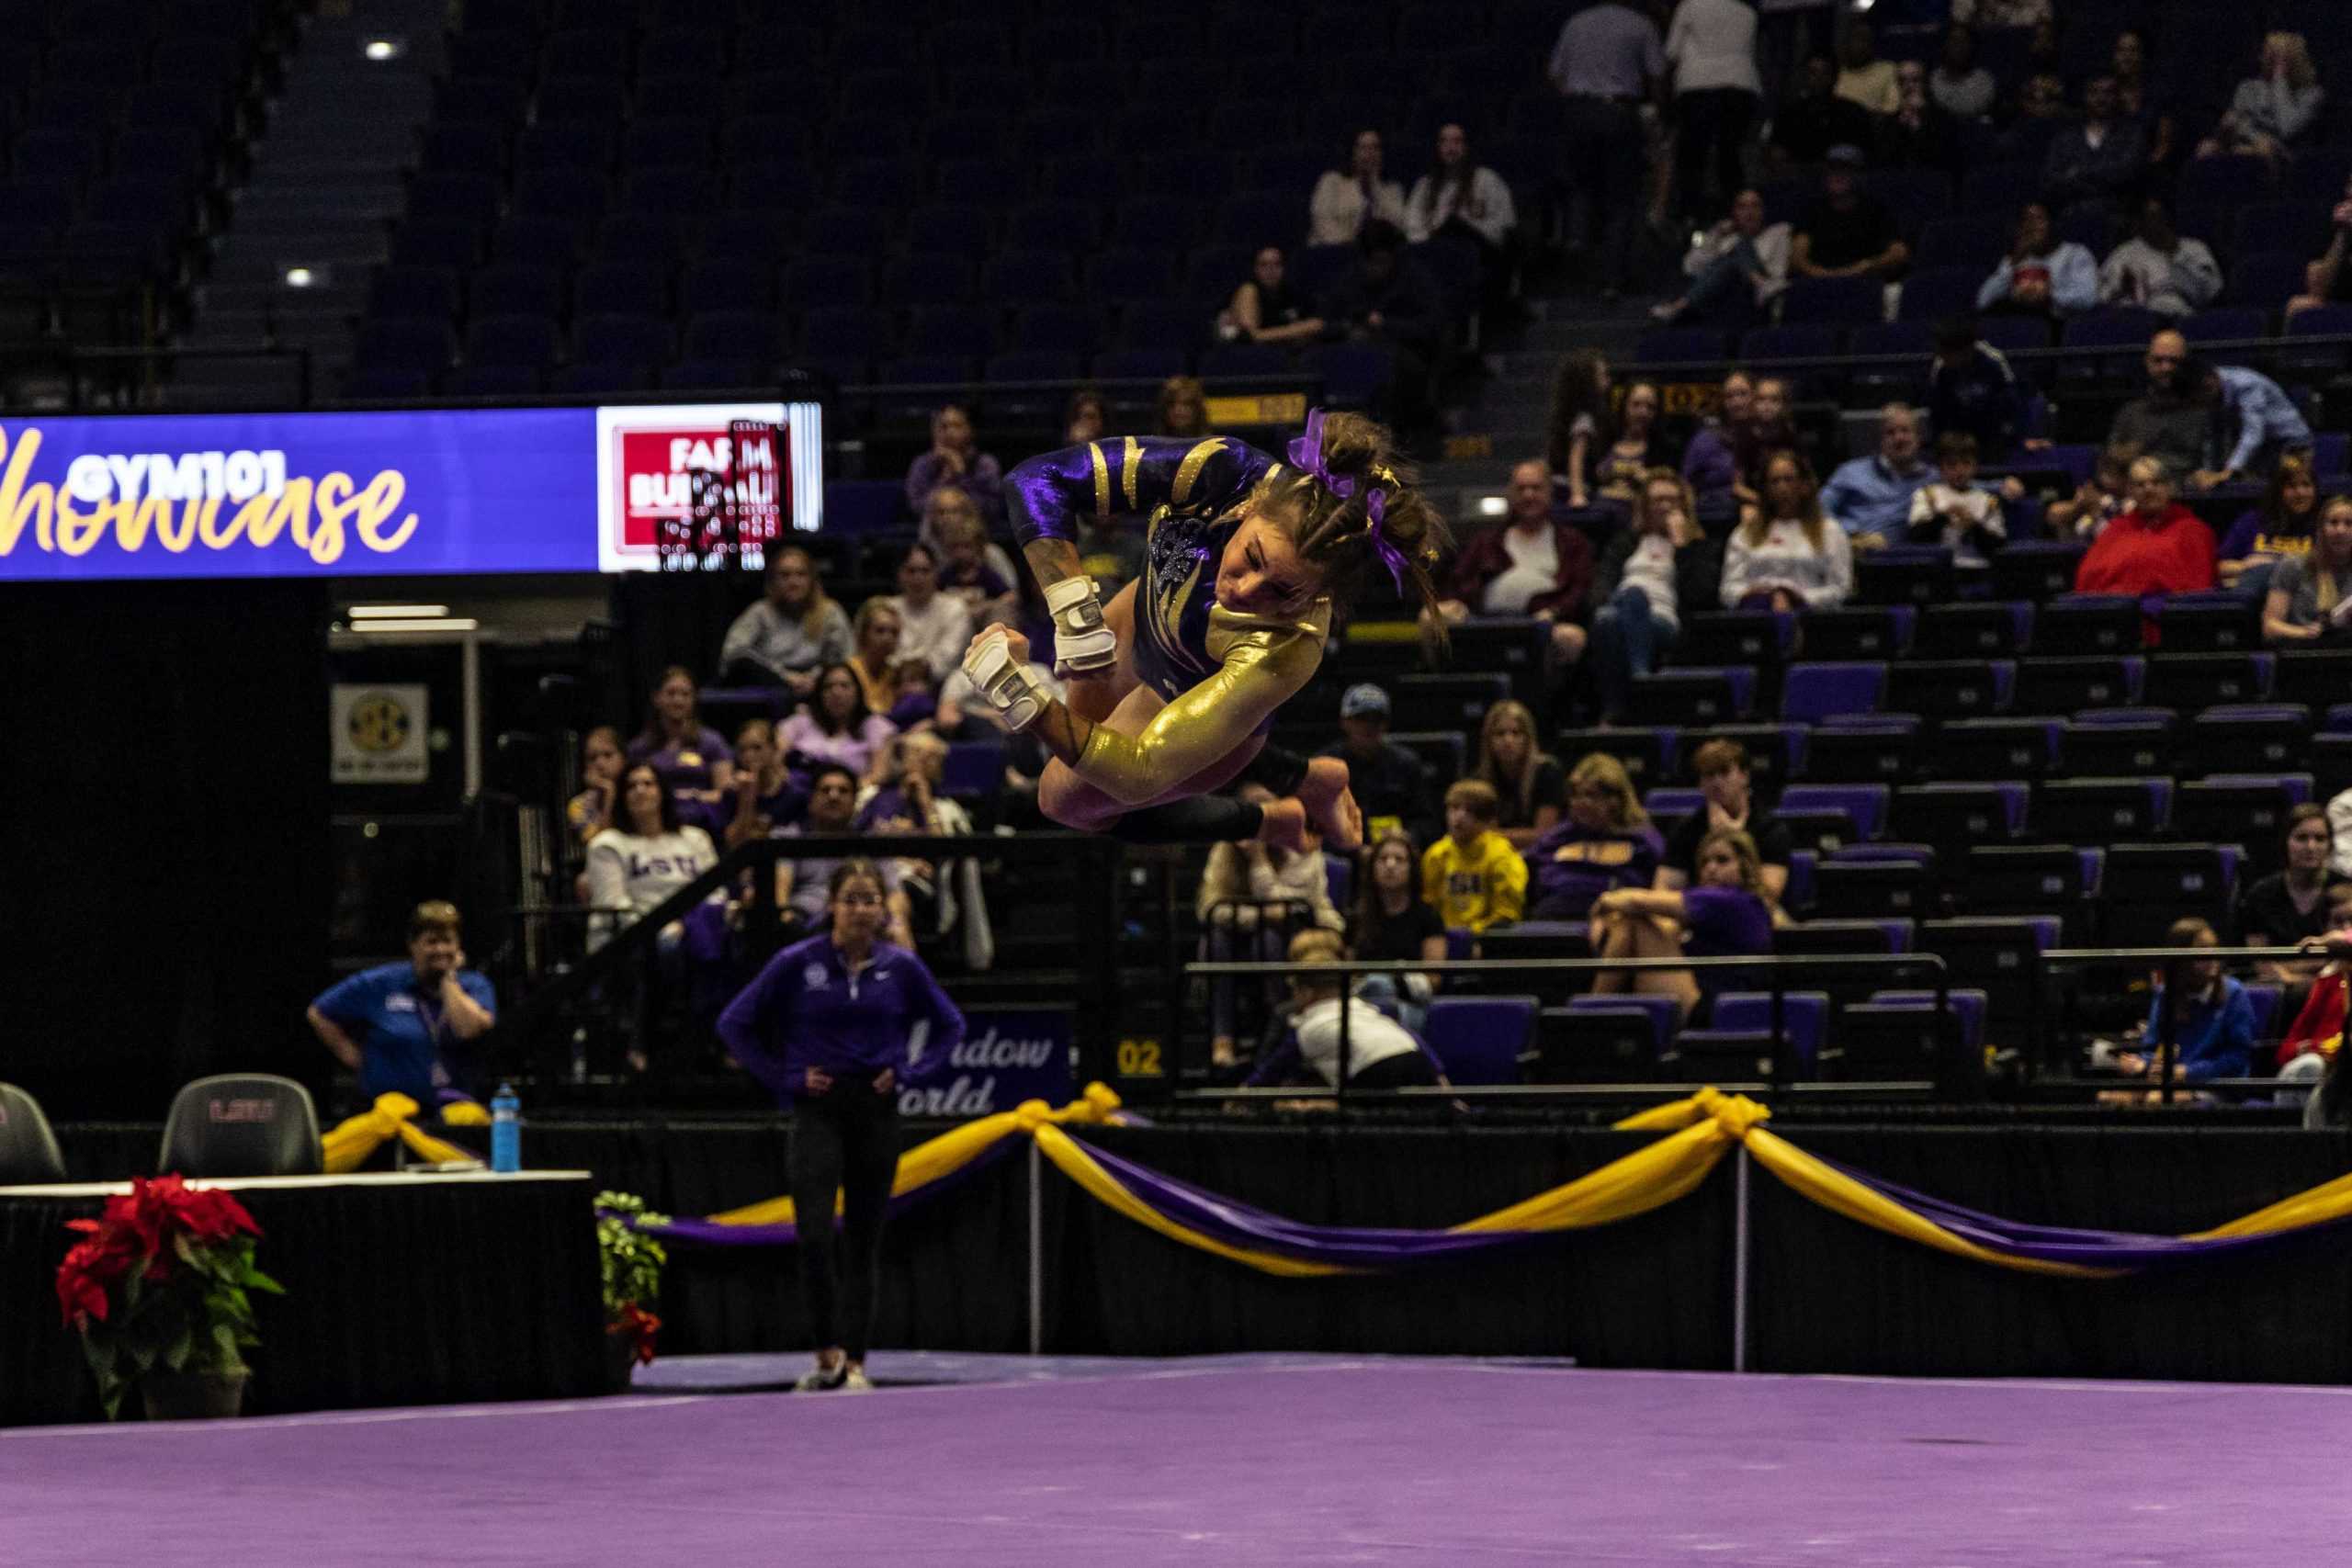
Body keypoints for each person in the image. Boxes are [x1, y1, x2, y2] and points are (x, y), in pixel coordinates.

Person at [963, 412, 1449, 852]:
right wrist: (1073, 611)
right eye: (1252, 558)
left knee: (1064, 800)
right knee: (1079, 749)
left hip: (1184, 696)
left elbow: (1138, 771)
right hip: (1139, 616)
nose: (1245, 591)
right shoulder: (1220, 470)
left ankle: (1267, 820)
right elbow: (1036, 478)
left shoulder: (1290, 646)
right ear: (1251, 506)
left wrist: (1017, 693)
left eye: (1281, 592)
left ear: (1316, 597)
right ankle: (1309, 779)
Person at [717, 858, 964, 1394]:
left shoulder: (901, 969)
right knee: (812, 1233)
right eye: (849, 899)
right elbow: (734, 1023)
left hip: (875, 1110)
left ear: (883, 909)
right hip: (817, 1110)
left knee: (864, 1239)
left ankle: (855, 1360)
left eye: (869, 900)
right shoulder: (795, 962)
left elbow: (950, 1025)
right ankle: (824, 1352)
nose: (859, 910)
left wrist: (910, 1073)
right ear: (831, 905)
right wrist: (784, 1076)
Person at [1197, 782, 1346, 1066]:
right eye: (1252, 807)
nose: (1261, 813)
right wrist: (1258, 916)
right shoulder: (1224, 849)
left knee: (1270, 938)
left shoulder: (1303, 845)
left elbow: (1290, 908)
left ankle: (1274, 1033)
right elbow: (1210, 908)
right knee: (1218, 939)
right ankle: (1223, 1037)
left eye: (1268, 804)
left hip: (1309, 928)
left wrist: (1258, 860)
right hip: (1244, 935)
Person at [307, 900, 494, 1112]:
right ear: (413, 945)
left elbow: (467, 1029)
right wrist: (356, 1058)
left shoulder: (474, 985)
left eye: (447, 941)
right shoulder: (380, 983)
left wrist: (449, 980)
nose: (440, 949)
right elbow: (318, 1013)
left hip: (455, 1113)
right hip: (387, 1112)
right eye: (431, 942)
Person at [1589, 828, 1776, 1025]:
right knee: (1633, 923)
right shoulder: (1721, 903)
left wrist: (1603, 903)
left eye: (1722, 860)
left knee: (1634, 922)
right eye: (1705, 862)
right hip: (1702, 996)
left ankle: (1592, 1016)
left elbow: (1636, 901)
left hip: (1717, 1009)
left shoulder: (1734, 901)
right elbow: (1664, 928)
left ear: (1745, 866)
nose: (1711, 868)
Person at [1548, 0, 1665, 299]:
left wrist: (1578, 99)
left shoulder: (1576, 22)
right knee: (1620, 200)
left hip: (1579, 112)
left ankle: (1577, 242)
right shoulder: (1640, 24)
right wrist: (1653, 111)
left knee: (1581, 186)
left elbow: (1556, 74)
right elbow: (1656, 75)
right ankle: (1612, 279)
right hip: (1619, 112)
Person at [1590, 468, 1724, 724]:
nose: (1664, 507)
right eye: (1657, 500)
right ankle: (1631, 690)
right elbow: (1602, 584)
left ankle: (1620, 701)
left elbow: (1700, 595)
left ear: (1684, 506)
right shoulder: (1625, 543)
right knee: (1611, 615)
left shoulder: (1700, 547)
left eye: (1672, 500)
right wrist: (1614, 600)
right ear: (1645, 506)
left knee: (1626, 604)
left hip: (1664, 620)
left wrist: (1682, 546)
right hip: (1620, 610)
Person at [1434, 459, 1595, 665]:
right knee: (1432, 617)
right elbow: (1459, 581)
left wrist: (1554, 611)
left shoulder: (1572, 542)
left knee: (1572, 638)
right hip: (1484, 622)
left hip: (1542, 623)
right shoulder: (1487, 541)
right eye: (1521, 489)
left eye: (1536, 488)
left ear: (1549, 493)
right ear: (1511, 494)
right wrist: (1457, 604)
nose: (1529, 495)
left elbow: (1579, 589)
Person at [1242, 928, 1443, 1091]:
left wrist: (1241, 1095)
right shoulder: (1367, 1008)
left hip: (1377, 1072)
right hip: (1416, 1062)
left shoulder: (1306, 1029)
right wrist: (1440, 1080)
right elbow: (1412, 1040)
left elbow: (1271, 1070)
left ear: (1305, 992)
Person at [1319, 220, 1450, 436]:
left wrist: (1385, 325)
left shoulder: (1415, 280)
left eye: (1381, 261)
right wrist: (1349, 328)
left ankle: (1395, 434)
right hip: (1354, 352)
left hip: (1405, 355)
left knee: (1390, 365)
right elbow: (1326, 321)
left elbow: (1431, 327)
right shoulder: (1350, 280)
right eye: (1370, 262)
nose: (1375, 268)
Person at [2107, 918, 2256, 1097]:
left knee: (2158, 1100)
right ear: (2181, 959)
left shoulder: (2234, 993)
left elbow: (2236, 1058)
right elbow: (2153, 1047)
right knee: (2109, 1097)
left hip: (2215, 1083)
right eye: (2202, 951)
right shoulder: (2165, 993)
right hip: (2169, 1079)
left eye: (2214, 948)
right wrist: (2141, 1064)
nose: (2212, 957)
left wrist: (2187, 1072)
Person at [772, 764, 915, 948]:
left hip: (863, 920)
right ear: (812, 800)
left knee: (899, 929)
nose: (834, 796)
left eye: (843, 791)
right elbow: (780, 890)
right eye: (826, 790)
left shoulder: (872, 842)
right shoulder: (788, 838)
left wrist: (897, 922)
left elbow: (894, 892)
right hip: (805, 924)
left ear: (855, 801)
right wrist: (786, 918)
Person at [585, 762, 720, 952]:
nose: (640, 790)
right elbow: (614, 908)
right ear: (622, 797)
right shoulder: (607, 845)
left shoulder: (695, 838)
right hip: (634, 944)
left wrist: (689, 926)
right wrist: (662, 930)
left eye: (648, 783)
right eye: (632, 786)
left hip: (693, 931)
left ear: (662, 792)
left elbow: (715, 893)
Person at [1524, 753, 1665, 920]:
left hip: (1618, 920)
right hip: (1552, 919)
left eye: (1591, 795)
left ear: (1615, 801)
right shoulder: (1557, 837)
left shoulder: (1642, 840)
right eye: (1575, 795)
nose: (1580, 803)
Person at [1656, 740, 1791, 903]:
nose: (1717, 782)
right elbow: (1664, 889)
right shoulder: (1686, 828)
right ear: (1701, 783)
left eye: (1724, 772)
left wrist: (1735, 839)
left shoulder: (1770, 828)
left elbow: (1768, 897)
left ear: (1744, 776)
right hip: (1698, 912)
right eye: (1709, 775)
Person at [1665, 0, 1761, 221]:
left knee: (1693, 156)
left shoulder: (1690, 7)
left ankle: (1690, 213)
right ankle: (1734, 212)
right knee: (1730, 154)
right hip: (1740, 85)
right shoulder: (1746, 12)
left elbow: (1672, 51)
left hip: (1697, 85)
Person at [1724, 448, 1855, 609]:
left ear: (1804, 485)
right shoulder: (1745, 533)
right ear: (1765, 488)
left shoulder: (1830, 531)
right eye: (1775, 481)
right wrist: (1757, 595)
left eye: (1789, 479)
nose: (1782, 487)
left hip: (1812, 617)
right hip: (1758, 614)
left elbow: (1842, 589)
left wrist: (1798, 597)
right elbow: (1728, 590)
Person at [2074, 457, 2215, 597]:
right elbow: (2089, 576)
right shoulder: (2116, 529)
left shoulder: (2193, 530)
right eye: (2140, 485)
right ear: (2130, 491)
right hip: (2116, 610)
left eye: (2156, 482)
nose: (2149, 490)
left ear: (2170, 487)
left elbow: (2198, 587)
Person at [2237, 806, 2350, 982]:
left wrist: (2289, 968)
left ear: (2330, 846)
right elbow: (2262, 965)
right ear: (2285, 842)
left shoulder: (2347, 889)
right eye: (2301, 838)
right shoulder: (2260, 895)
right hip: (2279, 993)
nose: (2311, 847)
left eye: (2320, 839)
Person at [1350, 828, 1447, 1032]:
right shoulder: (1357, 916)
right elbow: (1348, 971)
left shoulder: (1428, 916)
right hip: (1364, 1003)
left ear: (1412, 868)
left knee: (1381, 985)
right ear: (1372, 867)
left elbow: (1433, 979)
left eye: (1399, 859)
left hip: (1409, 1001)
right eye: (1383, 859)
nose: (1390, 865)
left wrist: (1394, 983)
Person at [720, 547, 852, 697]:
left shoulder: (830, 612)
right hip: (772, 685)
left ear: (812, 580)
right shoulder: (760, 612)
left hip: (818, 688)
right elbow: (733, 654)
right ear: (773, 580)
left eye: (801, 574)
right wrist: (784, 677)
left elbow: (845, 657)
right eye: (785, 575)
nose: (793, 582)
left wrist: (812, 678)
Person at [1318, 682, 1439, 844]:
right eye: (1361, 718)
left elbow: (1426, 821)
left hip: (1393, 854)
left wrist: (1406, 838)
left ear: (1386, 724)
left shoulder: (1407, 764)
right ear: (1344, 721)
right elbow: (1315, 821)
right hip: (1342, 854)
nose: (1369, 726)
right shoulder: (1325, 765)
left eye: (1377, 719)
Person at [1651, 189, 1790, 327]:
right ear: (1734, 213)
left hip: (1754, 299)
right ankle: (1761, 285)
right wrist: (1716, 234)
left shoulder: (1778, 232)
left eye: (1755, 206)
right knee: (1732, 254)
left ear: (1763, 211)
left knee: (1738, 248)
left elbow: (1778, 272)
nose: (1749, 212)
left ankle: (1677, 307)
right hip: (1720, 298)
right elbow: (1690, 267)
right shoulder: (1725, 238)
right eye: (1742, 207)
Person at [2197, 31, 2324, 164]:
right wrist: (2227, 128)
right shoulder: (2248, 88)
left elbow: (2286, 128)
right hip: (2245, 143)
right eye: (2266, 54)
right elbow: (2236, 124)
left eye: (2274, 58)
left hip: (2283, 154)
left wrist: (2279, 79)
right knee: (2207, 148)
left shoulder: (2312, 94)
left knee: (2263, 148)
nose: (2264, 60)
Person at [1789, 144, 1909, 284]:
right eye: (1833, 169)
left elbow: (1899, 253)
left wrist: (1864, 267)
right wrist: (1819, 274)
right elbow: (1797, 257)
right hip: (1819, 284)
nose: (1837, 175)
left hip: (1864, 283)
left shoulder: (1876, 210)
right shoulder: (1812, 210)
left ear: (1858, 174)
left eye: (1845, 169)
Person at [1402, 122, 1519, 263]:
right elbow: (1412, 226)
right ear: (1437, 148)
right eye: (1444, 141)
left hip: (1478, 256)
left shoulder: (1487, 179)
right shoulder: (1424, 185)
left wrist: (1467, 230)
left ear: (1466, 147)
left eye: (1457, 141)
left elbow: (1504, 223)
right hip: (1434, 256)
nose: (1451, 148)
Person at [1820, 404, 1932, 550]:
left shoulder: (1932, 478)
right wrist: (1854, 534)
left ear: (1918, 438)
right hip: (1855, 553)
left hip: (1910, 560)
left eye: (1905, 431)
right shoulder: (1850, 472)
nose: (1899, 438)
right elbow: (1819, 509)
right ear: (1881, 440)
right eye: (1890, 432)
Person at [1420, 778, 1526, 933]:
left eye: (1470, 811)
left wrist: (1470, 934)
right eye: (1454, 808)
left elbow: (1506, 914)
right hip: (1443, 940)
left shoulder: (1502, 855)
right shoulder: (1436, 854)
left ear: (1487, 819)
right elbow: (1428, 906)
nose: (1460, 816)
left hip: (1488, 940)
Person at [1907, 431, 2024, 567]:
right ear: (1940, 467)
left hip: (1979, 569)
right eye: (1952, 464)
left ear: (1975, 466)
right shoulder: (1927, 495)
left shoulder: (1988, 501)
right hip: (1938, 570)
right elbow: (1915, 538)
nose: (1960, 470)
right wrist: (1943, 517)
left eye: (1966, 463)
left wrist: (1973, 525)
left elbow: (1997, 545)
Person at [2106, 330, 2211, 480]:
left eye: (2174, 361)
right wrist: (2122, 455)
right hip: (2139, 491)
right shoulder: (2130, 413)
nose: (2166, 368)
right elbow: (2111, 461)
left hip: (2191, 494)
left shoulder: (2205, 412)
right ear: (2147, 362)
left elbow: (2215, 466)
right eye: (2158, 360)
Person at [627, 666, 734, 810]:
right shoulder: (640, 747)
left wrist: (694, 796)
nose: (678, 701)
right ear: (656, 698)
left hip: (702, 817)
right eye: (671, 694)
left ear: (694, 699)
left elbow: (724, 794)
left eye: (685, 694)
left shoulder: (712, 742)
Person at [2193, 362, 2312, 491]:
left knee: (2290, 488)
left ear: (2213, 378)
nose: (2203, 396)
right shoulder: (2209, 390)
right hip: (2260, 448)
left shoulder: (2246, 384)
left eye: (2205, 389)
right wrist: (2207, 471)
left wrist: (2230, 470)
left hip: (2290, 443)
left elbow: (2253, 433)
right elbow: (2213, 435)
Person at [2099, 197, 2222, 321]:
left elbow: (2212, 291)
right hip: (2141, 320)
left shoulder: (2194, 248)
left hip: (2186, 316)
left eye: (2160, 217)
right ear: (2140, 223)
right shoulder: (2124, 254)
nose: (2157, 223)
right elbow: (2103, 296)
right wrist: (2121, 289)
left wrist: (2175, 256)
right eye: (2151, 218)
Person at [1975, 202, 2098, 322]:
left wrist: (2050, 296)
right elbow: (1983, 301)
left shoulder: (2075, 254)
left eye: (2038, 220)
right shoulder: (2016, 259)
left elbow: (2087, 298)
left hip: (2059, 326)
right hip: (2020, 323)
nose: (2032, 227)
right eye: (2026, 221)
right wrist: (2013, 263)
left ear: (2051, 224)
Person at [1928, 318, 2029, 461]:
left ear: (1965, 350)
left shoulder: (1993, 362)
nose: (1941, 356)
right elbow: (1938, 414)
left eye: (1945, 352)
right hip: (1958, 437)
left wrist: (2023, 438)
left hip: (1994, 433)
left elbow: (2013, 406)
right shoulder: (1940, 368)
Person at [2218, 456, 2320, 597]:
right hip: (2253, 594)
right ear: (2278, 491)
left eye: (2306, 485)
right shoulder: (2252, 521)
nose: (2300, 493)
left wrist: (2276, 564)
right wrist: (2246, 567)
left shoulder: (2322, 524)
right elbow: (2221, 568)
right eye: (2292, 486)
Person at [779, 662, 898, 784]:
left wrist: (842, 791)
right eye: (828, 687)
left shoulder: (877, 726)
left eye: (844, 686)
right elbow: (774, 760)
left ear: (858, 692)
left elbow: (879, 775)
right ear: (819, 694)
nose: (836, 692)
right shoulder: (799, 723)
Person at [1471, 700, 1565, 852]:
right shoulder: (1479, 779)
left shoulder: (1547, 772)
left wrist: (1493, 835)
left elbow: (1545, 835)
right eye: (1500, 734)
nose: (1508, 741)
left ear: (1528, 738)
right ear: (1488, 740)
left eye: (1516, 733)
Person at [2041, 76, 2147, 209]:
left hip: (2116, 216)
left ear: (2117, 97)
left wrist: (2077, 173)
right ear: (2085, 96)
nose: (2101, 99)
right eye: (2094, 92)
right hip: (2072, 215)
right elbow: (2051, 181)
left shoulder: (2131, 134)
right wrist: (2102, 174)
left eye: (2107, 93)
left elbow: (2127, 173)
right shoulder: (2066, 138)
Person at [2262, 496, 2352, 647]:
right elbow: (2270, 627)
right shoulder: (2293, 566)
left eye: (2349, 524)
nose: (2340, 530)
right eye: (2333, 523)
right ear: (2321, 529)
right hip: (2304, 654)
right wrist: (2305, 633)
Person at [1767, 53, 1876, 172]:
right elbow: (1776, 157)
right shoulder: (1789, 114)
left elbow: (1862, 157)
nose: (1819, 78)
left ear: (1835, 77)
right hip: (1797, 181)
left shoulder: (1852, 112)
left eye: (1825, 73)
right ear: (1804, 76)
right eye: (1813, 72)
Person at [885, 543, 974, 686]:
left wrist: (913, 668)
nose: (918, 578)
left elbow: (947, 660)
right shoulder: (887, 609)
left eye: (925, 571)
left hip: (942, 687)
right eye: (911, 571)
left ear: (936, 574)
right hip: (892, 685)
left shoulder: (955, 608)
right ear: (899, 575)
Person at [924, 490, 1019, 623]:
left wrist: (985, 607)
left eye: (954, 511)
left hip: (986, 615)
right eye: (941, 512)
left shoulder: (990, 556)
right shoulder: (927, 555)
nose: (947, 518)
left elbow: (1011, 595)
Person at [903, 402, 1002, 521]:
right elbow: (917, 508)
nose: (949, 433)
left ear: (970, 430)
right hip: (932, 535)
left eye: (957, 426)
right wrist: (946, 479)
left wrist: (961, 476)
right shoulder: (922, 464)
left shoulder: (985, 464)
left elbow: (989, 509)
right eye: (943, 426)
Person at [1308, 128, 1407, 247]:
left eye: (1375, 147)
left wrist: (1375, 185)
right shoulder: (1332, 181)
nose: (1370, 153)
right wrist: (1351, 245)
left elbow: (1397, 225)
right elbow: (1322, 222)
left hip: (1376, 254)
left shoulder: (1392, 188)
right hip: (1333, 249)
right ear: (1353, 152)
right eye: (1364, 148)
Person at [718, 718, 804, 850]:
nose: (749, 755)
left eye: (757, 748)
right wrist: (746, 798)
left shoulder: (794, 795)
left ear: (774, 749)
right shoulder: (732, 795)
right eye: (742, 750)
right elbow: (733, 844)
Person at [1545, 348, 1612, 509]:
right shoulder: (1585, 419)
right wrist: (1577, 495)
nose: (1608, 381)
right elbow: (1576, 458)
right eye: (1603, 376)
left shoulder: (1570, 415)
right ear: (1588, 382)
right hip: (1568, 489)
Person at [1220, 246, 1324, 349]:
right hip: (1245, 355)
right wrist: (1300, 329)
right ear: (1255, 269)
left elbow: (1317, 324)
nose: (1270, 270)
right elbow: (1250, 337)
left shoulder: (1291, 291)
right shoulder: (1248, 290)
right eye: (1264, 265)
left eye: (1277, 264)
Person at [1876, 60, 1962, 176]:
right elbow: (1884, 161)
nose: (1908, 86)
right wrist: (1901, 125)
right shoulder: (1891, 121)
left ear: (1926, 84)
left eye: (1915, 80)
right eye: (1902, 81)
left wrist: (1918, 125)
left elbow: (1943, 158)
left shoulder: (1943, 118)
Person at [1681, 369, 1755, 502]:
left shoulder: (1764, 437)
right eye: (1730, 396)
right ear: (1722, 401)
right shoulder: (1704, 440)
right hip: (1713, 512)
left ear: (1755, 396)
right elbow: (1686, 485)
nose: (1737, 402)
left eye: (1743, 394)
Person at [2109, 28, 2176, 171]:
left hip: (2146, 170)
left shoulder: (2157, 95)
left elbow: (2163, 144)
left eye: (2133, 50)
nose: (2126, 56)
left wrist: (2143, 169)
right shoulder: (2105, 94)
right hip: (2108, 169)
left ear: (2142, 56)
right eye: (2121, 50)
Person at [2045, 440, 2138, 541]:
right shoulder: (2094, 494)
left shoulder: (2133, 504)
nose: (2103, 478)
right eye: (2103, 472)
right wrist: (2077, 507)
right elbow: (2053, 516)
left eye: (2110, 474)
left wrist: (2098, 505)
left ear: (2127, 478)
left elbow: (2112, 534)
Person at [2288, 176, 2352, 319]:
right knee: (2298, 306)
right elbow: (2318, 289)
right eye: (2350, 185)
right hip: (2340, 301)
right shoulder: (2335, 226)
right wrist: (2342, 234)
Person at [1595, 381, 1670, 502]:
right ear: (1624, 406)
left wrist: (1650, 479)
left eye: (1650, 407)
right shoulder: (1603, 442)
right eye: (1636, 405)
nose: (1643, 412)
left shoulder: (1664, 450)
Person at [566, 725, 625, 853]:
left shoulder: (638, 793)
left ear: (623, 758)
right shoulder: (578, 805)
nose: (600, 764)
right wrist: (609, 796)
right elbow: (601, 847)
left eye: (608, 755)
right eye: (592, 758)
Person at [844, 598, 905, 717]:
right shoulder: (847, 671)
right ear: (863, 633)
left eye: (894, 632)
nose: (887, 638)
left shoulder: (897, 675)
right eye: (880, 631)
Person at [1928, 22, 1996, 120]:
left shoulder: (1984, 81)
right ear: (1945, 45)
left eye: (1963, 41)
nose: (1958, 47)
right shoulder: (1931, 81)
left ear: (1971, 45)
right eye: (1954, 41)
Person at [1831, 17, 1895, 117]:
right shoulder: (1834, 72)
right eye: (1855, 38)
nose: (1860, 45)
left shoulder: (1887, 70)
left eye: (1865, 39)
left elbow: (1890, 111)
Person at [1156, 375, 1211, 440]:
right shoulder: (1152, 447)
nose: (1177, 411)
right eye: (1171, 404)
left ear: (1197, 409)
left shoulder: (1215, 448)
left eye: (1186, 404)